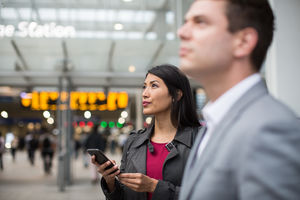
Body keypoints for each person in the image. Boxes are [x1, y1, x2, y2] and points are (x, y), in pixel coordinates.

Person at [177, 1, 300, 200]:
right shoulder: (216, 121)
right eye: (185, 22)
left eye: (200, 22)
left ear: (243, 42)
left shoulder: (269, 128)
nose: (181, 32)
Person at [92, 64, 200, 200]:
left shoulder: (200, 140)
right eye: (144, 87)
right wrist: (110, 181)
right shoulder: (134, 141)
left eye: (154, 86)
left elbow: (213, 194)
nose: (145, 93)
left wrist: (154, 187)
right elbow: (124, 196)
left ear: (177, 94)